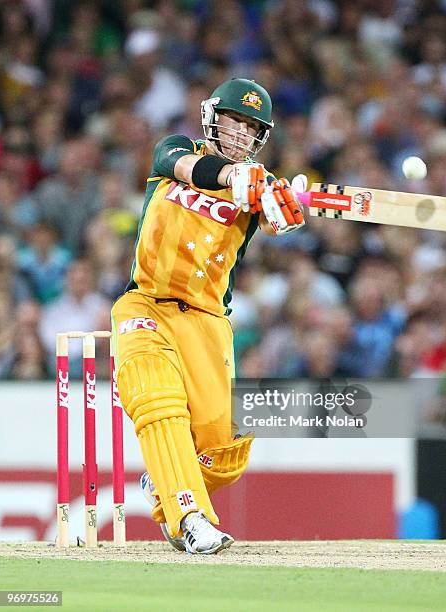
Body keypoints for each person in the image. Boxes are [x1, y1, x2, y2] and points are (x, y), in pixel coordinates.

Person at [111, 78, 305, 554]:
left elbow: (278, 218)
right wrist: (229, 178)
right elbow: (176, 164)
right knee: (156, 400)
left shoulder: (257, 188)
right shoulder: (176, 150)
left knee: (220, 449)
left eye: (250, 127)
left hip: (206, 322)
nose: (239, 133)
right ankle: (190, 519)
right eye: (234, 120)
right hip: (146, 304)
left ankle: (164, 481)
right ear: (212, 116)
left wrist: (286, 206)